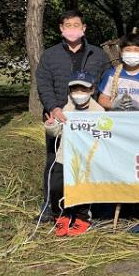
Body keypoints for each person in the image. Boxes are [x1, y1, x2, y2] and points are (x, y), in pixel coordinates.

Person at [35, 9, 110, 221]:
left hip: (89, 118)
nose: (72, 29)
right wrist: (53, 108)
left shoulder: (98, 54)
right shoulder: (50, 55)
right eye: (67, 25)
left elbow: (106, 83)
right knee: (54, 161)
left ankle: (85, 207)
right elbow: (43, 84)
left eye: (76, 25)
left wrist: (101, 110)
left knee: (88, 160)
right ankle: (51, 206)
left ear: (84, 28)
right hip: (60, 117)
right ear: (61, 28)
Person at [44, 72, 104, 236]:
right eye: (75, 90)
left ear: (91, 90)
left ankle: (82, 219)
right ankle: (60, 217)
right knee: (56, 187)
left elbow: (103, 135)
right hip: (64, 156)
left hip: (86, 159)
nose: (79, 94)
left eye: (83, 90)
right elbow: (56, 131)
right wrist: (50, 125)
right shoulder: (65, 108)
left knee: (83, 189)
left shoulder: (99, 111)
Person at [97, 33, 139, 111]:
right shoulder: (111, 74)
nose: (132, 53)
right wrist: (115, 105)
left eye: (136, 50)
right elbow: (102, 99)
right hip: (118, 117)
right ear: (121, 53)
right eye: (128, 50)